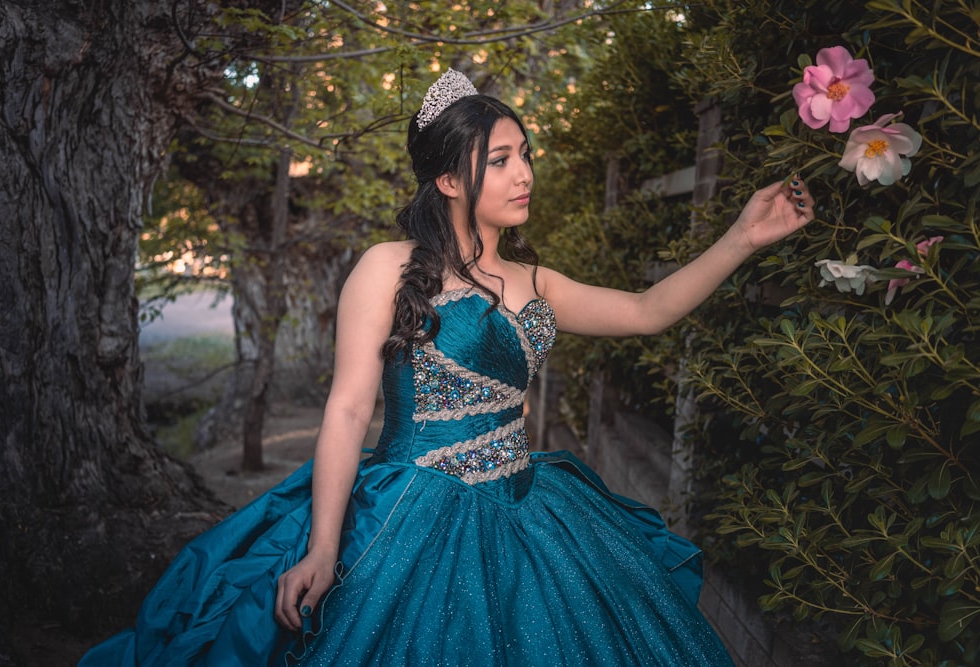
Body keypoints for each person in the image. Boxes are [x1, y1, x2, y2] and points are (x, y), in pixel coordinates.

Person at [80, 69, 814, 667]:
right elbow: (344, 411)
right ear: (448, 180)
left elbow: (650, 308)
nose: (523, 172)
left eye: (525, 153)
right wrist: (325, 547)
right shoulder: (387, 269)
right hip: (411, 512)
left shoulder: (538, 282)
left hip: (530, 509)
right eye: (500, 160)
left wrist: (742, 238)